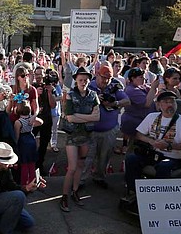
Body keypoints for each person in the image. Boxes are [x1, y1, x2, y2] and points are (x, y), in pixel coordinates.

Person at [124, 91, 181, 197]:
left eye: (172, 102)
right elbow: (139, 134)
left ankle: (160, 197)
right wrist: (151, 141)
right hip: (152, 154)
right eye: (166, 102)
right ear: (159, 105)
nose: (170, 105)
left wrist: (169, 146)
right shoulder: (151, 117)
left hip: (173, 157)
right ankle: (133, 191)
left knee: (164, 166)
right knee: (131, 159)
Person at [60, 67, 100, 212]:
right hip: (72, 135)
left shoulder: (93, 95)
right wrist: (88, 118)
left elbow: (97, 117)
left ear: (89, 81)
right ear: (76, 80)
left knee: (81, 165)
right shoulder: (70, 95)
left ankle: (75, 191)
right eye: (80, 80)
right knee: (72, 167)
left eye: (86, 80)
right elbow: (69, 117)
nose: (83, 82)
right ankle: (64, 196)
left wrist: (79, 117)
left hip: (86, 136)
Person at [87, 65, 129, 188]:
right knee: (87, 157)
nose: (106, 81)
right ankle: (81, 180)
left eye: (109, 78)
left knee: (104, 157)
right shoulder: (89, 85)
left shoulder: (115, 85)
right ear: (97, 75)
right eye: (103, 77)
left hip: (109, 129)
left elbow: (127, 101)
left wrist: (115, 103)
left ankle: (99, 177)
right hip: (90, 130)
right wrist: (93, 99)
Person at [31, 66, 56, 173]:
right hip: (34, 120)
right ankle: (30, 163)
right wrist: (36, 94)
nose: (39, 77)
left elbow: (53, 105)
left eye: (41, 74)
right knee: (30, 142)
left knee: (44, 144)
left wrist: (49, 92)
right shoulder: (31, 87)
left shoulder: (49, 87)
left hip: (46, 119)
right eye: (37, 74)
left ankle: (40, 164)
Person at [14, 101, 43, 186]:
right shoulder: (31, 118)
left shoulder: (18, 122)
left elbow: (17, 136)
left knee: (24, 165)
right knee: (32, 163)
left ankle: (25, 184)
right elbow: (41, 122)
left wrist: (15, 147)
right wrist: (34, 117)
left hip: (23, 142)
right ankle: (34, 181)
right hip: (31, 139)